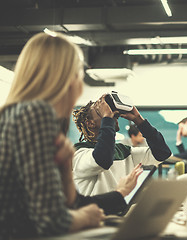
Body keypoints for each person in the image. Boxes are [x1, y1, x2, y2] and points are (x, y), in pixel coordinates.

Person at [0, 32, 105, 239]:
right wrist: (87, 216)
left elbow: (63, 205)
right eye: (79, 76)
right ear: (69, 80)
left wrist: (65, 169)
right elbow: (52, 222)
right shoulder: (36, 114)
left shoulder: (13, 114)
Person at [72, 95, 172, 196]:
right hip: (96, 211)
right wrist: (107, 118)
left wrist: (139, 120)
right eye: (100, 111)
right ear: (90, 123)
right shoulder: (79, 153)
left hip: (121, 210)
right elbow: (103, 159)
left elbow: (162, 153)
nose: (110, 113)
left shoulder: (125, 151)